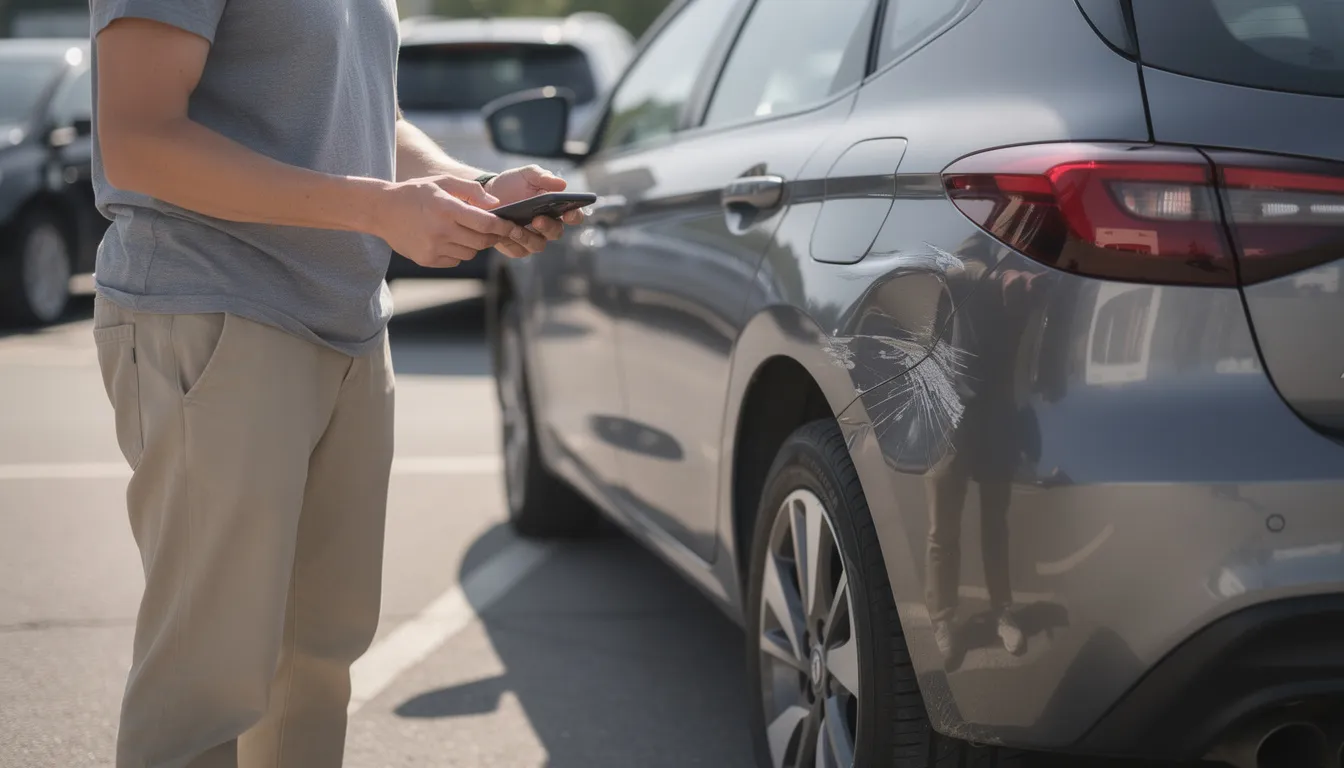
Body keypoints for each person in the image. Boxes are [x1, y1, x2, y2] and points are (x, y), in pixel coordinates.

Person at [88, 1, 582, 765]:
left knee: (311, 674)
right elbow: (138, 140)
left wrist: (470, 187)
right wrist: (378, 210)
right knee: (202, 688)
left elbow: (362, 119)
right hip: (215, 307)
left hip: (348, 323)